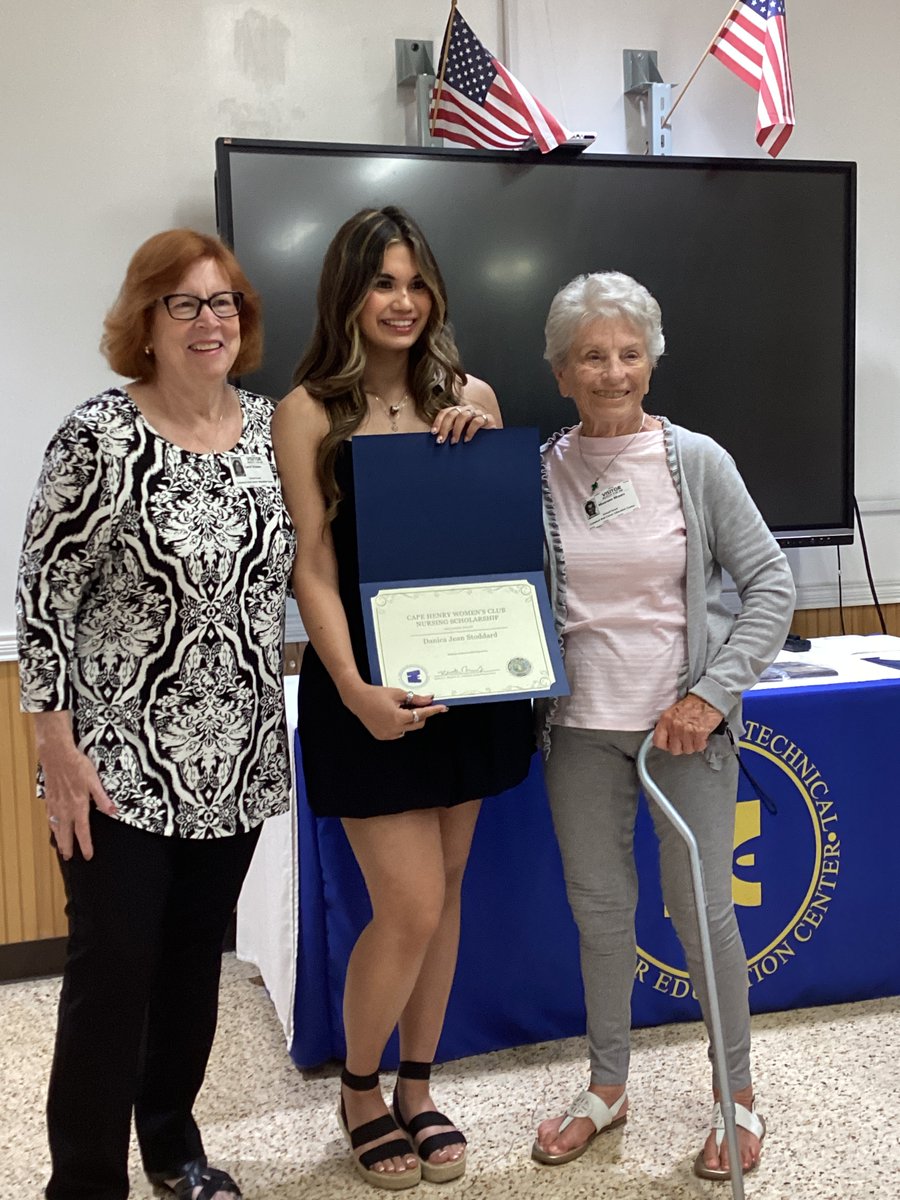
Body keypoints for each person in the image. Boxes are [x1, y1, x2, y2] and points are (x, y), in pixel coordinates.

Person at [16, 229, 296, 1200]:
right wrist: (54, 745)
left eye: (224, 303)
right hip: (116, 764)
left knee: (189, 971)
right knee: (112, 975)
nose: (209, 320)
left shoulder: (273, 432)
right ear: (147, 320)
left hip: (238, 759)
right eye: (186, 304)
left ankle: (173, 1148)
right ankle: (85, 1181)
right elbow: (44, 595)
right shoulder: (97, 435)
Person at [272, 206, 534, 1190]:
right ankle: (360, 1088)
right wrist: (351, 687)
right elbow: (312, 567)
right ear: (349, 291)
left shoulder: (472, 393)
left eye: (417, 283)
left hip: (470, 682)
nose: (403, 301)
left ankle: (419, 1088)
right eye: (384, 282)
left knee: (449, 887)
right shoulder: (306, 410)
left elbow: (496, 547)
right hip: (365, 689)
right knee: (410, 904)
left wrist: (483, 447)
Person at [530, 271, 795, 1181]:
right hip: (577, 732)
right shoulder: (539, 470)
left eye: (629, 353)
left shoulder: (698, 460)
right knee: (601, 915)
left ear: (652, 361)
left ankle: (737, 1097)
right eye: (592, 357)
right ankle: (607, 1087)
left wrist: (712, 694)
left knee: (701, 916)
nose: (613, 372)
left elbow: (772, 586)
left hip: (683, 733)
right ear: (562, 372)